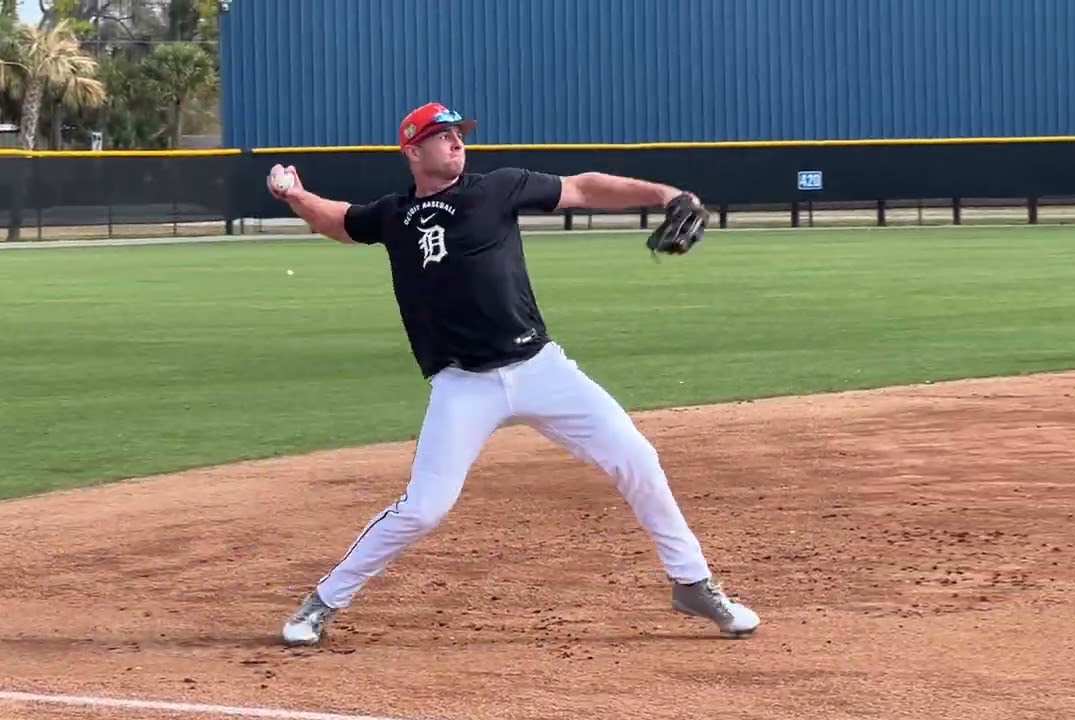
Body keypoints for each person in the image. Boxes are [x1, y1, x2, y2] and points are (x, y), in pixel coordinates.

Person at [266, 101, 760, 645]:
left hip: (540, 368)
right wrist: (293, 195)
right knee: (425, 508)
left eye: (459, 134)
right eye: (442, 135)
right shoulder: (391, 215)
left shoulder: (497, 187)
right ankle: (322, 601)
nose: (456, 142)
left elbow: (585, 188)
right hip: (463, 385)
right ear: (412, 150)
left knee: (637, 458)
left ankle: (692, 582)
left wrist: (667, 195)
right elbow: (335, 220)